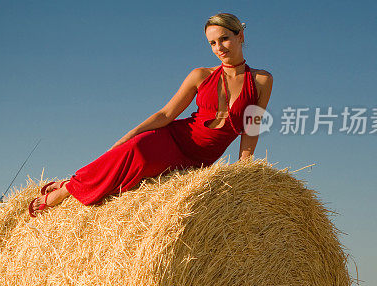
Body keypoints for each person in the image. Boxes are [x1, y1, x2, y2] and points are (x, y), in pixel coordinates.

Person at [29, 12, 273, 216]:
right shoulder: (201, 75)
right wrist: (130, 135)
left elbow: (252, 127)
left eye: (224, 39)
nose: (219, 48)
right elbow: (166, 113)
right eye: (212, 43)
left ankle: (69, 185)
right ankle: (67, 189)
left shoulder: (261, 80)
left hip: (202, 156)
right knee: (134, 152)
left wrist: (244, 169)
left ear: (240, 36)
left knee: (132, 177)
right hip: (176, 138)